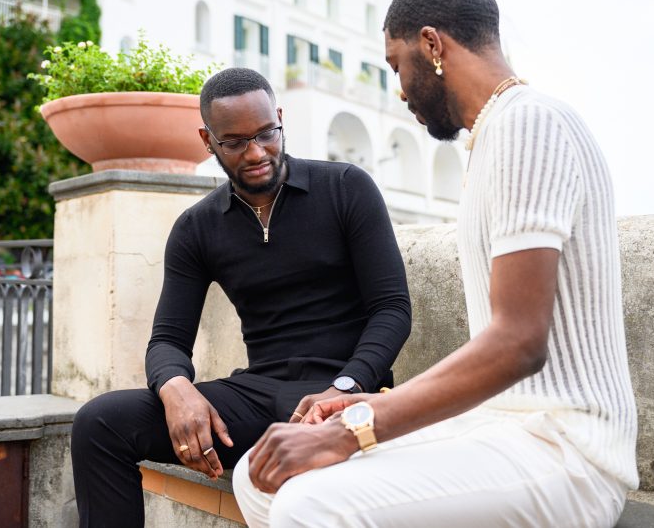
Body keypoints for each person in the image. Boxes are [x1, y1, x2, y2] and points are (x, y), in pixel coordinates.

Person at [234, 0, 639, 528]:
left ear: (431, 45)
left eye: (396, 65)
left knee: (308, 505)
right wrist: (366, 405)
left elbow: (519, 343)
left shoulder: (531, 124)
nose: (400, 90)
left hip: (569, 450)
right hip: (499, 427)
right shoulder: (493, 136)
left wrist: (354, 430)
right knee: (260, 474)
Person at [71, 68, 412, 527]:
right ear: (207, 140)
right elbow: (167, 340)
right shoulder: (197, 228)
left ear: (280, 119)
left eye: (266, 133)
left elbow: (392, 308)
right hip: (257, 397)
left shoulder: (345, 187)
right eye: (233, 142)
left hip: (346, 392)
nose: (256, 153)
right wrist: (176, 389)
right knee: (99, 423)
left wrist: (344, 388)